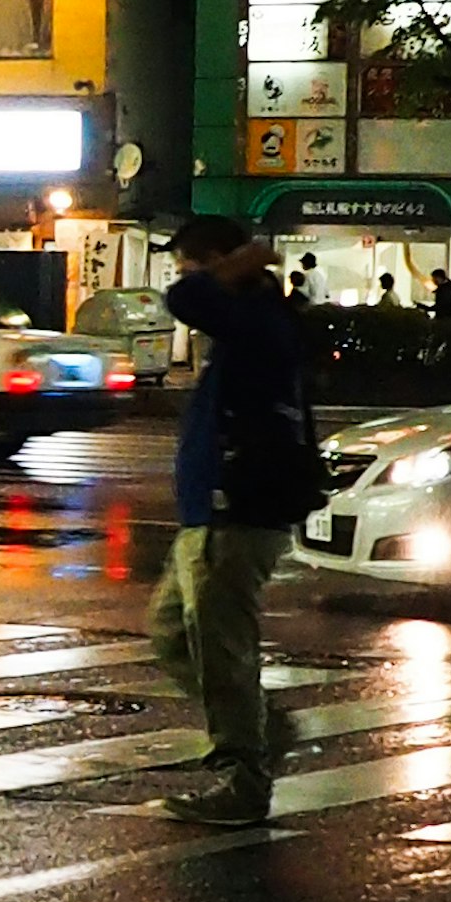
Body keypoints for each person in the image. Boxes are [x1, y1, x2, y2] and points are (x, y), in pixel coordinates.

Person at [152, 211, 321, 829]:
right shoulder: (249, 324)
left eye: (191, 261)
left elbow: (187, 297)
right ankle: (258, 726)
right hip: (211, 512)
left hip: (236, 511)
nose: (185, 276)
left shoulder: (255, 317)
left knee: (221, 649)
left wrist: (241, 262)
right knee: (173, 634)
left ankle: (242, 776)